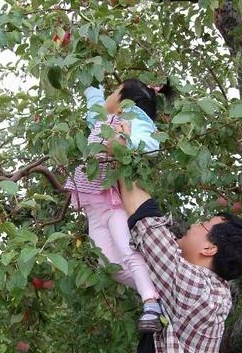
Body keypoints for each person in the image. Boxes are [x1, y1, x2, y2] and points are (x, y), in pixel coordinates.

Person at [64, 79, 174, 333]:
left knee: (127, 251)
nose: (108, 96)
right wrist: (91, 77)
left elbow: (150, 145)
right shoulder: (103, 122)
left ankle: (151, 302)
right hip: (92, 207)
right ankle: (159, 293)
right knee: (109, 264)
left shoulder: (131, 122)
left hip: (110, 201)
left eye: (114, 92)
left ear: (125, 102)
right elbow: (94, 105)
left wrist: (125, 143)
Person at [116, 175, 242, 353]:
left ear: (209, 248)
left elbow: (144, 216)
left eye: (203, 224)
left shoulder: (195, 290)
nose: (194, 225)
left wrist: (120, 156)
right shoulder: (214, 293)